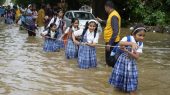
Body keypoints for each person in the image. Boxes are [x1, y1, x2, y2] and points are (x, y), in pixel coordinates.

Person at [109, 24, 146, 95]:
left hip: (132, 62)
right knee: (120, 75)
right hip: (122, 60)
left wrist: (127, 51)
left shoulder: (140, 44)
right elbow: (120, 43)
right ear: (133, 34)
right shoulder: (127, 38)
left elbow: (137, 57)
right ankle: (119, 89)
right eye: (140, 35)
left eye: (143, 36)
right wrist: (131, 44)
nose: (142, 37)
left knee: (132, 77)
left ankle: (131, 90)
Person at [96, 0, 121, 67]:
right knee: (108, 60)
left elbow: (115, 31)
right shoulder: (112, 14)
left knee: (110, 61)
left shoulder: (113, 16)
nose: (105, 10)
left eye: (105, 8)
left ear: (107, 7)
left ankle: (109, 73)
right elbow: (108, 22)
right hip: (110, 41)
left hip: (112, 42)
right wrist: (101, 21)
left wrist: (110, 43)